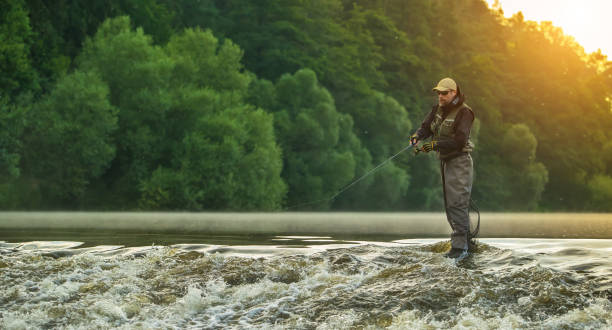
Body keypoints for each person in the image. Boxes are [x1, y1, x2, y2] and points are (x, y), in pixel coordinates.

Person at [410, 77, 475, 259]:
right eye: (438, 92)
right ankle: (463, 244)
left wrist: (433, 145)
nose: (440, 96)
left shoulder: (465, 113)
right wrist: (417, 136)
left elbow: (459, 141)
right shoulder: (437, 109)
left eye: (444, 93)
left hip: (460, 161)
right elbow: (426, 127)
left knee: (457, 203)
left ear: (454, 93)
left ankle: (460, 248)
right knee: (449, 205)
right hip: (445, 161)